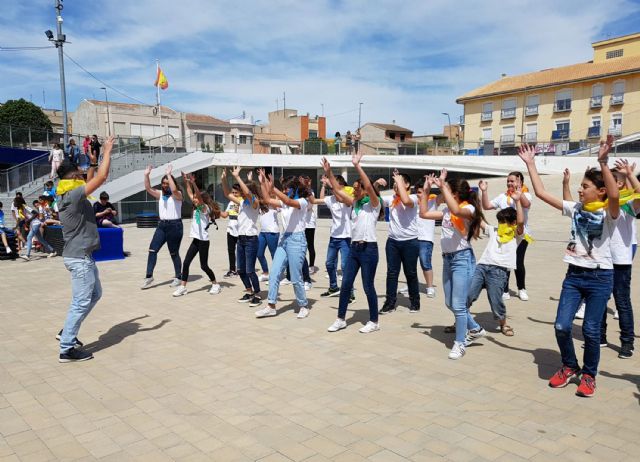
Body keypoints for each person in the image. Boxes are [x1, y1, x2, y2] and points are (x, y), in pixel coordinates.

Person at [518, 137, 619, 397]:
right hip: (573, 276)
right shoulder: (575, 209)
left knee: (590, 330)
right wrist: (530, 163)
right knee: (562, 326)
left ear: (601, 191)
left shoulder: (610, 213)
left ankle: (589, 375)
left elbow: (616, 194)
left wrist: (603, 162)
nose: (580, 190)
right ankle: (570, 366)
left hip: (600, 277)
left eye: (585, 186)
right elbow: (541, 193)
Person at [56, 136, 114, 362]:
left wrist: (93, 160)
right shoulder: (71, 196)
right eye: (78, 172)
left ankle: (66, 331)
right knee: (80, 301)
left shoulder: (70, 193)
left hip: (83, 256)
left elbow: (91, 176)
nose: (81, 174)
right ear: (71, 176)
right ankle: (66, 348)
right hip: (79, 259)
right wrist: (107, 151)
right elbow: (101, 177)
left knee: (95, 294)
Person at [419, 171, 486, 360]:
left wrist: (442, 186)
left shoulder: (468, 209)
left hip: (462, 260)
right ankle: (475, 328)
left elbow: (457, 211)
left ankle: (460, 343)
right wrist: (426, 191)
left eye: (448, 190)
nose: (443, 193)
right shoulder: (447, 211)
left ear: (456, 194)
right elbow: (423, 213)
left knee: (458, 304)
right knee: (450, 303)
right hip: (448, 259)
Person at [323, 151, 382, 333]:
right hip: (354, 248)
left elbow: (371, 189)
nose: (354, 190)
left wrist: (357, 166)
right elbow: (339, 191)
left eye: (358, 187)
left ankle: (374, 321)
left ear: (365, 188)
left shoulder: (373, 204)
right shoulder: (354, 204)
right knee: (346, 284)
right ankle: (341, 319)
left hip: (369, 250)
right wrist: (329, 173)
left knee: (367, 286)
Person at [467, 189, 525, 336]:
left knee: (495, 300)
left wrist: (517, 201)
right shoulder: (493, 230)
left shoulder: (516, 235)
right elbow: (479, 219)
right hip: (482, 267)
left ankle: (503, 324)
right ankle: (460, 321)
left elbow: (521, 222)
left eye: (503, 222)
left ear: (511, 223)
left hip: (499, 271)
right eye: (499, 221)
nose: (500, 224)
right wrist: (477, 198)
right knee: (468, 295)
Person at [255, 169, 311, 318]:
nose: (285, 190)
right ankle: (271, 305)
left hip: (297, 240)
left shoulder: (302, 202)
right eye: (284, 188)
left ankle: (303, 305)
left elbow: (288, 201)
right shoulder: (284, 203)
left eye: (287, 188)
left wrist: (273, 187)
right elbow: (267, 199)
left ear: (295, 188)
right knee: (274, 273)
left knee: (295, 276)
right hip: (284, 239)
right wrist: (263, 183)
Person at [479, 171, 533, 301]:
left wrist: (518, 196)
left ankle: (521, 289)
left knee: (518, 261)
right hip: (505, 235)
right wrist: (484, 191)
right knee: (505, 262)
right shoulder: (502, 197)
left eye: (512, 181)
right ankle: (505, 289)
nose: (509, 183)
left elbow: (526, 204)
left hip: (521, 234)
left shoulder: (525, 194)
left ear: (520, 182)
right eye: (508, 181)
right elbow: (486, 206)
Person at [172, 172, 222, 297]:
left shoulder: (204, 208)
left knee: (204, 266)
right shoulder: (197, 207)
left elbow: (197, 197)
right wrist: (187, 182)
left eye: (196, 198)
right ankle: (183, 287)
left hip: (203, 241)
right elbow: (191, 193)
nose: (193, 199)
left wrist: (193, 183)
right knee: (186, 262)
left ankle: (215, 284)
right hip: (196, 240)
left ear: (202, 199)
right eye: (193, 198)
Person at [379, 170, 420, 314]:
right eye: (394, 182)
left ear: (407, 184)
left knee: (410, 273)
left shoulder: (415, 197)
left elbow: (406, 201)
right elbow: (374, 197)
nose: (395, 184)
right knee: (392, 273)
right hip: (393, 242)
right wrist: (376, 184)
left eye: (400, 182)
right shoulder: (390, 199)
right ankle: (390, 302)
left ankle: (415, 302)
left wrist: (399, 182)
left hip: (410, 242)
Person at [222, 167, 263, 307]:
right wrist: (223, 179)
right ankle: (249, 291)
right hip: (241, 239)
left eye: (242, 191)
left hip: (251, 239)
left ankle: (257, 294)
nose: (240, 193)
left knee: (250, 270)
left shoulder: (254, 203)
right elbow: (227, 193)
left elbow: (248, 193)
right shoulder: (243, 202)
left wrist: (238, 177)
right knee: (240, 270)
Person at [141, 164, 184, 290]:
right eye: (163, 183)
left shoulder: (178, 195)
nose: (165, 185)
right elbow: (148, 188)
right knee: (152, 250)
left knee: (174, 253)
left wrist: (169, 175)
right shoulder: (160, 194)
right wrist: (146, 175)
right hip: (162, 226)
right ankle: (149, 277)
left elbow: (174, 190)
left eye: (167, 183)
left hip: (175, 226)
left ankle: (178, 276)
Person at [310, 174, 353, 299]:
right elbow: (314, 201)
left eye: (335, 184)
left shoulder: (347, 199)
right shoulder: (331, 199)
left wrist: (330, 183)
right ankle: (333, 287)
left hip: (345, 237)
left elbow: (342, 197)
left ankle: (350, 293)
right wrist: (307, 188)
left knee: (345, 266)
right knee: (329, 264)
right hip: (333, 237)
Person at [414, 178, 437, 298]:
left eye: (423, 192)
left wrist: (437, 182)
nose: (420, 194)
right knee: (410, 264)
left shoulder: (433, 202)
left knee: (425, 262)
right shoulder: (411, 203)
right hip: (411, 238)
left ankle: (430, 287)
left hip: (426, 239)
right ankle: (411, 285)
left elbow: (444, 196)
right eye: (418, 192)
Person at [257, 192, 280, 282]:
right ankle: (266, 273)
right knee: (259, 253)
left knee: (274, 254)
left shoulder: (274, 204)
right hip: (262, 232)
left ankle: (276, 275)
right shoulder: (260, 205)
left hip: (272, 232)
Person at [220, 189, 240, 279]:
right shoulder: (230, 203)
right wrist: (216, 209)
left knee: (240, 251)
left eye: (236, 192)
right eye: (233, 192)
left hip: (240, 230)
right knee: (231, 250)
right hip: (230, 229)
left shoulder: (242, 201)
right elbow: (225, 215)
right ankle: (232, 269)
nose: (234, 194)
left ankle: (241, 269)